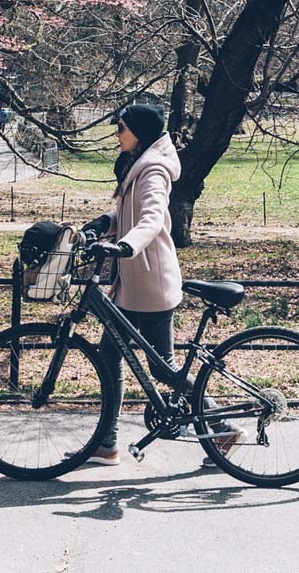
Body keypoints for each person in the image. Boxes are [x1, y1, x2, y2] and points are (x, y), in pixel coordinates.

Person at [85, 103, 235, 465]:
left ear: (139, 132)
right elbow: (127, 214)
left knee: (162, 369)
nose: (117, 134)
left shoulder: (153, 170)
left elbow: (151, 218)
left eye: (121, 127)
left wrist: (126, 245)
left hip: (150, 285)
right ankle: (106, 444)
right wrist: (100, 225)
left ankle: (222, 427)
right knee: (109, 359)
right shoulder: (136, 165)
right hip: (131, 284)